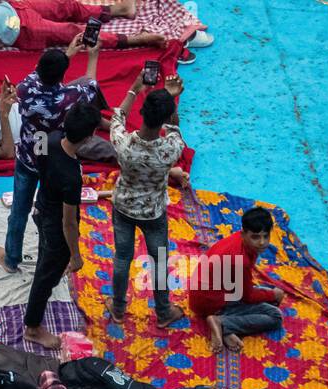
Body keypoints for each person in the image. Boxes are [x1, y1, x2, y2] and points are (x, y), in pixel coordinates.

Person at [0, 37, 99, 278]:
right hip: (54, 163)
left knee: (19, 210)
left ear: (39, 68)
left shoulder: (25, 88)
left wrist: (66, 56)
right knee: (52, 215)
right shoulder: (71, 95)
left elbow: (41, 76)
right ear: (62, 75)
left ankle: (11, 259)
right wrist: (91, 55)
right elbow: (91, 84)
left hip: (28, 158)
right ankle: (51, 263)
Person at [0, 0, 163, 80]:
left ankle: (118, 10)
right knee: (74, 31)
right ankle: (131, 39)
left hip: (15, 6)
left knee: (66, 5)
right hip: (22, 29)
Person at [19, 99, 101, 349]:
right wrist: (75, 256)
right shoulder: (71, 178)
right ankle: (32, 327)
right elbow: (68, 223)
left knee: (46, 264)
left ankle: (45, 286)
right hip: (56, 226)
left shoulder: (50, 138)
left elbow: (37, 159)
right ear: (90, 136)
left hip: (42, 208)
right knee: (46, 275)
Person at [109, 67, 187, 328]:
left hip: (122, 207)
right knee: (160, 260)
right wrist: (173, 98)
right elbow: (175, 129)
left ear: (142, 113)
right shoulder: (171, 150)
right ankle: (163, 312)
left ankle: (118, 308)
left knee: (122, 258)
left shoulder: (124, 144)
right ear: (164, 119)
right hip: (153, 213)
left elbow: (118, 116)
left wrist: (135, 87)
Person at [187, 206, 285, 353]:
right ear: (244, 233)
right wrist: (274, 295)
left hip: (203, 295)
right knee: (275, 316)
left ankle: (225, 330)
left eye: (266, 236)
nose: (262, 242)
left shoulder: (237, 241)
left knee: (264, 292)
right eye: (256, 237)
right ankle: (222, 323)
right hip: (211, 303)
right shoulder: (240, 260)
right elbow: (248, 296)